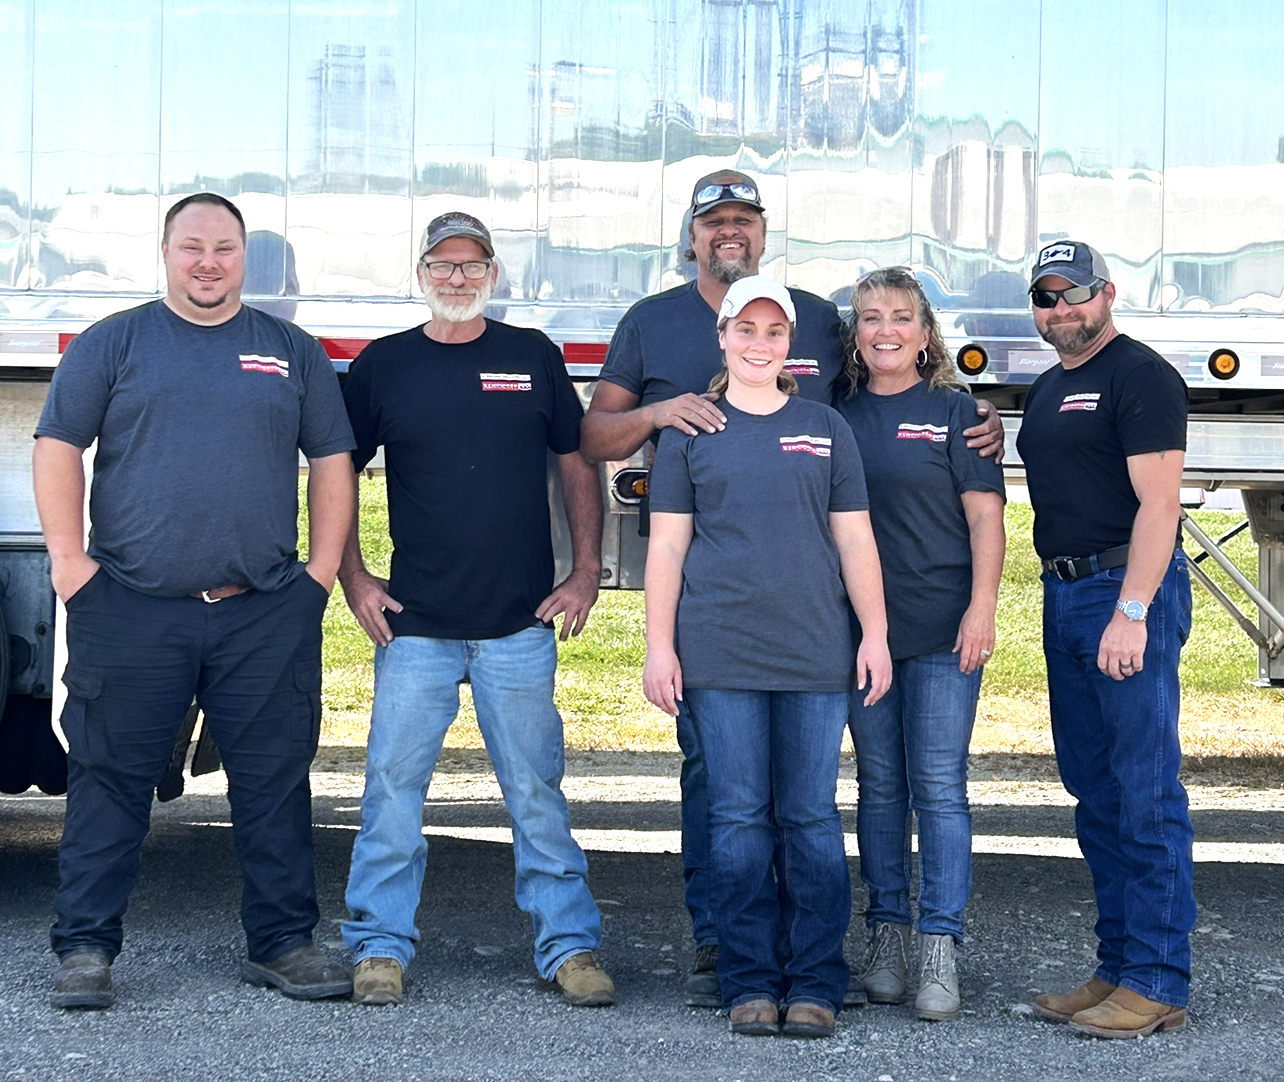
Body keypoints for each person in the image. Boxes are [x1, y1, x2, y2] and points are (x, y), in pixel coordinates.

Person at [582, 168, 1005, 1007]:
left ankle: (852, 964)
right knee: (730, 801)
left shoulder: (825, 407)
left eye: (744, 219)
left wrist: (968, 406)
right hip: (724, 641)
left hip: (828, 638)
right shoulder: (656, 334)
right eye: (714, 221)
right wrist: (665, 417)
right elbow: (616, 465)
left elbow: (876, 438)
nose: (728, 233)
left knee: (830, 810)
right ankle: (730, 954)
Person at [33, 193, 357, 1009]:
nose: (208, 261)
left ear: (244, 257)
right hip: (134, 604)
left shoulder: (289, 351)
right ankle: (85, 952)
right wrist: (71, 565)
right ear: (166, 252)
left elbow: (332, 461)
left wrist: (318, 576)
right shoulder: (117, 342)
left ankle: (283, 942)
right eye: (192, 247)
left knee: (274, 778)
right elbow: (57, 445)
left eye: (224, 247)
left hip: (262, 607)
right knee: (109, 777)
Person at [338, 211, 613, 1009]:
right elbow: (336, 473)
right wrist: (354, 578)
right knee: (392, 789)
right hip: (415, 626)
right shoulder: (382, 367)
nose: (457, 278)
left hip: (517, 626)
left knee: (535, 791)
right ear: (420, 273)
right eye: (442, 264)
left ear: (494, 274)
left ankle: (570, 947)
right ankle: (379, 949)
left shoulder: (532, 357)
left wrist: (586, 570)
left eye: (472, 264)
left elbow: (576, 464)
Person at [643, 275, 892, 1039]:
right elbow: (669, 547)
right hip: (719, 652)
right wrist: (659, 646)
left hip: (816, 653)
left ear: (791, 344)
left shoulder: (824, 427)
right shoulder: (690, 433)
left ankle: (816, 979)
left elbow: (854, 537)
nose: (759, 344)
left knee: (811, 818)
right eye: (744, 330)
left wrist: (875, 633)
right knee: (739, 818)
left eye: (773, 331)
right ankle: (748, 979)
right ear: (722, 337)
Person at [1017, 241, 1194, 1039]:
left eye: (1074, 294)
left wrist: (1132, 610)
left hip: (1123, 594)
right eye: (1046, 298)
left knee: (1145, 791)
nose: (1062, 310)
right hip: (1065, 593)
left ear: (1108, 294)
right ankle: (1119, 964)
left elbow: (1160, 506)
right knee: (1096, 793)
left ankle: (1157, 979)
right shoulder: (1051, 386)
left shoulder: (1139, 375)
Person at [834, 268, 1006, 1022]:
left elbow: (986, 522)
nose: (885, 330)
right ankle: (886, 937)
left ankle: (940, 943)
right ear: (855, 334)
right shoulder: (832, 413)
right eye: (870, 317)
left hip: (942, 628)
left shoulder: (956, 413)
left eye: (900, 317)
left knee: (938, 785)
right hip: (860, 635)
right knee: (878, 786)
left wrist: (983, 609)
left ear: (925, 332)